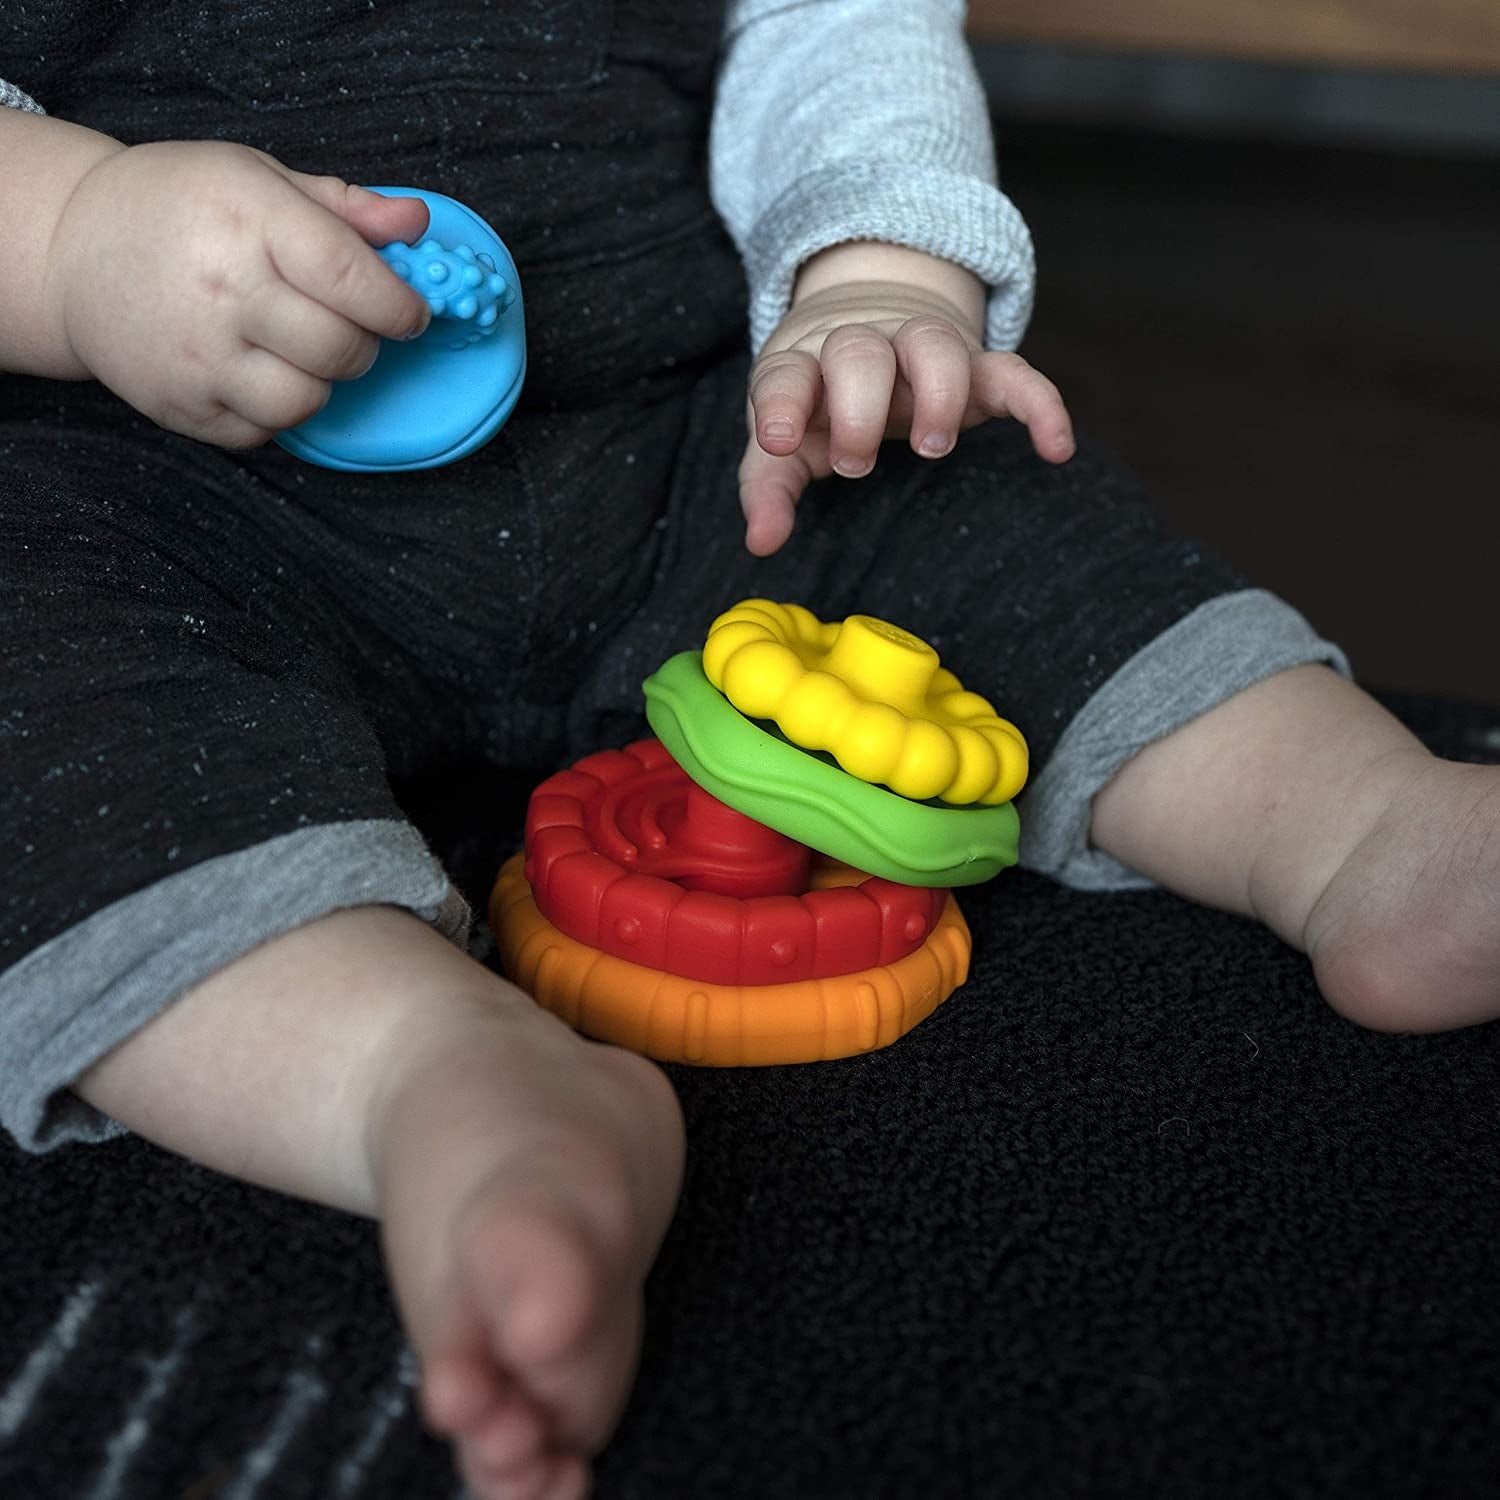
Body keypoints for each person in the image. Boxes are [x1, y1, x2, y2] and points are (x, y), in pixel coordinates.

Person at [2, 3, 1496, 1497]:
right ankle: (429, 1076)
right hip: (171, 491)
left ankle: (1361, 827)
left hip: (706, 441)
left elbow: (831, 24)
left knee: (955, 490)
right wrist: (75, 234)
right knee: (42, 695)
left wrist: (875, 280)